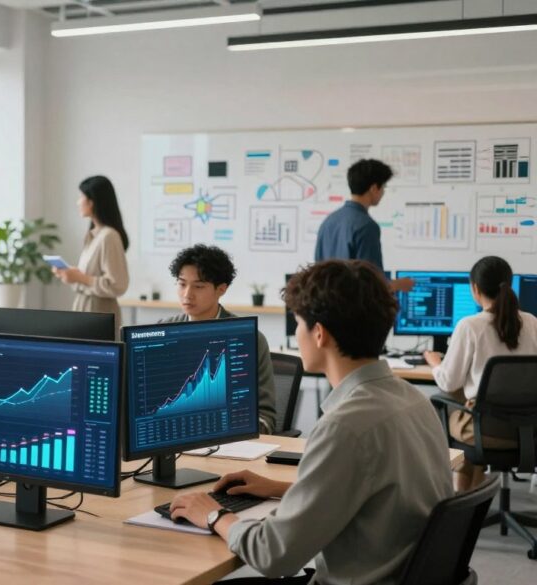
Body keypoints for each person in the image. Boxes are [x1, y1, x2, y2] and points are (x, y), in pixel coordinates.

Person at [169, 260, 452, 584]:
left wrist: (213, 513)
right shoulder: (413, 399)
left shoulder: (345, 427)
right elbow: (379, 494)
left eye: (298, 323)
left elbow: (274, 555)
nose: (296, 333)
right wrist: (281, 488)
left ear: (319, 334)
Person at [425, 256, 537, 492]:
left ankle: (461, 489)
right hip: (528, 433)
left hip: (486, 434)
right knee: (469, 399)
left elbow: (448, 380)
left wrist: (435, 363)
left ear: (475, 289)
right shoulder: (532, 322)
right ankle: (473, 487)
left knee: (447, 400)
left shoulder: (470, 326)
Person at [158, 245, 277, 434]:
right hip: (173, 436)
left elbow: (265, 417)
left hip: (230, 441)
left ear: (221, 289)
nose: (187, 294)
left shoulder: (249, 339)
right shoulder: (163, 332)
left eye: (198, 286)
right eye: (182, 284)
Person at [314, 159, 413, 293]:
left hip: (327, 308)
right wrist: (400, 284)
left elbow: (317, 274)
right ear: (373, 188)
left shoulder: (329, 221)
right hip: (354, 310)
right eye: (383, 187)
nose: (383, 192)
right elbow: (372, 285)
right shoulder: (366, 226)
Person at [54, 175, 130, 329]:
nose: (78, 202)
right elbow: (90, 278)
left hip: (99, 315)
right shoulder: (94, 235)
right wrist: (73, 275)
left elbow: (118, 285)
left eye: (81, 197)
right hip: (85, 311)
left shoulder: (109, 236)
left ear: (92, 202)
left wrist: (81, 277)